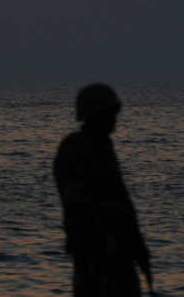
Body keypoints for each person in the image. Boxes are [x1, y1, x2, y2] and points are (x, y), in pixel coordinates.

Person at [53, 84, 155, 297]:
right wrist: (115, 214)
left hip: (120, 254)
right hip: (94, 256)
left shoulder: (104, 148)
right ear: (93, 115)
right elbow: (77, 203)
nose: (114, 119)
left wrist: (139, 249)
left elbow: (123, 200)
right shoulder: (74, 149)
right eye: (108, 114)